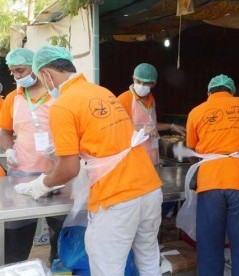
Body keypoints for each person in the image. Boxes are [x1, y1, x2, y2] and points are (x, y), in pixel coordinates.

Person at [15, 45, 163, 275]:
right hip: (150, 187)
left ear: (46, 74)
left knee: (107, 267)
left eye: (41, 80)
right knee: (149, 258)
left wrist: (39, 185)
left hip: (117, 196)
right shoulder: (103, 91)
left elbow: (69, 169)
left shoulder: (62, 105)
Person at [185, 74, 239, 276]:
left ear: (208, 92)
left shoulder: (196, 111)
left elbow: (192, 151)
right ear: (232, 92)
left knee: (210, 246)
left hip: (210, 183)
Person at [0, 48, 63, 264]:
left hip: (57, 177)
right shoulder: (12, 98)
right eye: (13, 72)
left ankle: (59, 266)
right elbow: (5, 130)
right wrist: (9, 149)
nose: (17, 76)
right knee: (17, 239)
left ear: (36, 67)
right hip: (23, 178)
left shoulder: (56, 95)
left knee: (61, 235)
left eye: (20, 70)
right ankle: (15, 268)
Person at [117, 63, 185, 165]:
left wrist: (171, 126)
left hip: (151, 156)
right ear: (133, 78)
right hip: (132, 158)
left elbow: (152, 126)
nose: (141, 85)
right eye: (138, 81)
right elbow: (117, 128)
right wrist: (142, 129)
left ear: (153, 84)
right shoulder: (123, 99)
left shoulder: (152, 101)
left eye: (146, 83)